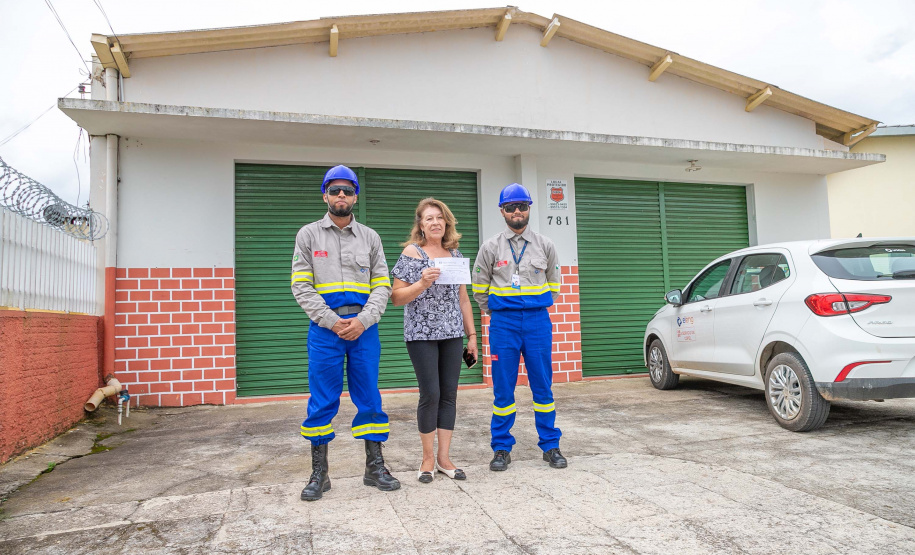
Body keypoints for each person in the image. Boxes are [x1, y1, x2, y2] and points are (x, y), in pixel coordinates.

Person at [291, 164, 400, 501]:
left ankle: (374, 466)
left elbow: (382, 285)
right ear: (325, 195)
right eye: (335, 190)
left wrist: (363, 321)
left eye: (347, 190)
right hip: (325, 330)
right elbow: (301, 286)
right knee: (322, 399)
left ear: (356, 196)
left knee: (369, 397)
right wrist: (332, 321)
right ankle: (319, 473)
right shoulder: (308, 235)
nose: (341, 195)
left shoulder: (371, 237)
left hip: (364, 330)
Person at [471, 183, 567, 472]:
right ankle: (501, 448)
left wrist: (534, 303)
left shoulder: (545, 245)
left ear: (529, 209)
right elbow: (479, 288)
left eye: (522, 206)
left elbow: (555, 285)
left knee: (542, 386)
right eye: (510, 207)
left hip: (537, 321)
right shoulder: (490, 247)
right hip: (503, 324)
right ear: (502, 211)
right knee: (503, 389)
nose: (516, 211)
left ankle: (550, 446)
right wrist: (498, 311)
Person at [391, 198, 478, 483]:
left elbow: (463, 299)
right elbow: (396, 297)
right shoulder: (412, 253)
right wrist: (421, 284)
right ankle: (427, 458)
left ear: (447, 222)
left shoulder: (455, 255)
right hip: (421, 335)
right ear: (421, 224)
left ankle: (444, 458)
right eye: (429, 218)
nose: (435, 222)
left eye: (440, 217)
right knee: (431, 394)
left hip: (452, 335)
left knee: (449, 395)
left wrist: (472, 336)